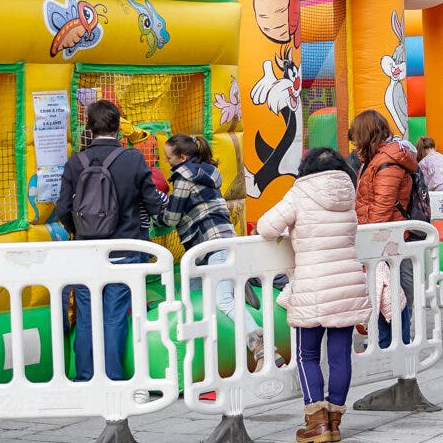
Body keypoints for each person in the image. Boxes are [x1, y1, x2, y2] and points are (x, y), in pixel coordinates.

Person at [257, 148, 371, 443]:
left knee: (307, 353)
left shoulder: (300, 192)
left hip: (314, 284)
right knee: (339, 354)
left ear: (305, 168)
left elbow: (267, 227)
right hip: (347, 283)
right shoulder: (346, 192)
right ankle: (334, 422)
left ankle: (316, 423)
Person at [57, 100, 169, 382]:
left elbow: (61, 210)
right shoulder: (132, 159)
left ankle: (85, 377)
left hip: (86, 252)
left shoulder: (75, 162)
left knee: (86, 314)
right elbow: (152, 201)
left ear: (89, 127)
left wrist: (81, 231)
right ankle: (114, 378)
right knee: (115, 314)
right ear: (119, 126)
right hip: (125, 249)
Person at [159, 134, 273, 367]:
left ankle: (260, 347)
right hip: (220, 245)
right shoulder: (208, 173)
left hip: (211, 247)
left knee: (223, 301)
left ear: (182, 157)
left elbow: (171, 218)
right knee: (192, 300)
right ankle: (204, 363)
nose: (167, 162)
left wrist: (156, 209)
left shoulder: (183, 178)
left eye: (169, 158)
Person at [350, 108, 416, 348]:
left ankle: (394, 341)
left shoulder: (387, 161)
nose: (355, 143)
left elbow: (382, 205)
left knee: (392, 294)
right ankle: (387, 340)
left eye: (357, 136)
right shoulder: (379, 159)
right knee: (384, 291)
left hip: (385, 237)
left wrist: (367, 239)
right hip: (382, 235)